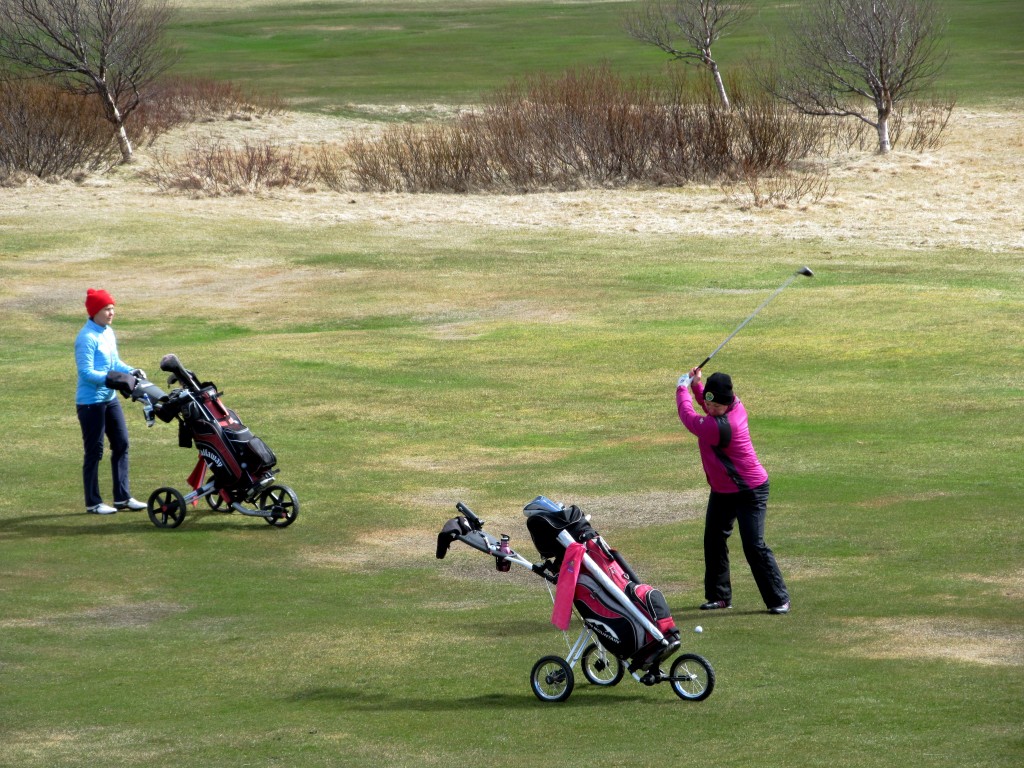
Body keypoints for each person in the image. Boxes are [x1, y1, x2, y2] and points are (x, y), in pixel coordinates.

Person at [676, 367, 790, 614]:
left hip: (750, 490)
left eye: (717, 406)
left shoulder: (725, 425)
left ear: (728, 403)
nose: (711, 409)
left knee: (753, 545)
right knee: (714, 540)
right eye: (710, 404)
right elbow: (707, 403)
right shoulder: (726, 407)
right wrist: (696, 385)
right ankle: (719, 597)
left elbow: (689, 418)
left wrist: (681, 389)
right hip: (723, 490)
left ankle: (778, 599)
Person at [74, 288, 147, 515]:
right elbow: (86, 372)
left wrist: (131, 371)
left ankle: (122, 498)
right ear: (95, 311)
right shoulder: (86, 338)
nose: (111, 313)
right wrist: (112, 379)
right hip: (90, 403)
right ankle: (93, 502)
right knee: (94, 451)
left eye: (112, 308)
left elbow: (115, 363)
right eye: (107, 309)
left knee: (121, 443)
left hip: (109, 399)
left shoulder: (107, 332)